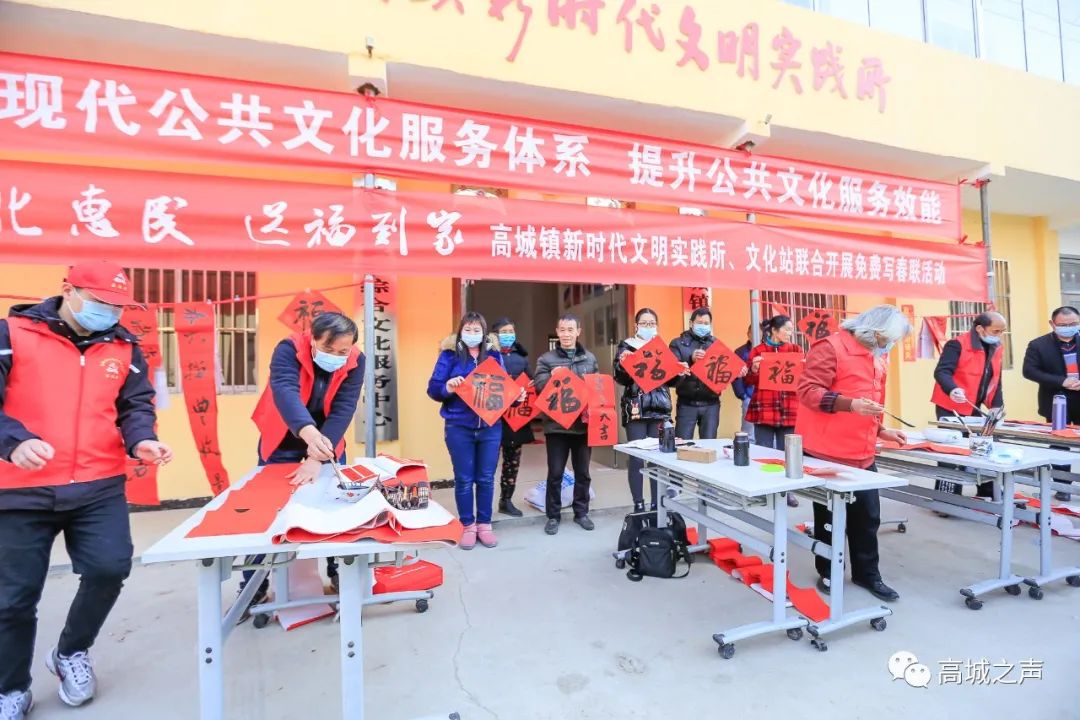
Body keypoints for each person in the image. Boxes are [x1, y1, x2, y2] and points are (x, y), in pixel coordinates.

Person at [0, 261, 173, 716]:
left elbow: (135, 406)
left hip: (98, 484)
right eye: (100, 303)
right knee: (14, 597)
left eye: (117, 306)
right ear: (68, 290)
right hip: (20, 489)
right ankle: (10, 687)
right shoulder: (11, 335)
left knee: (109, 569)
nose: (110, 313)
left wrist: (142, 440)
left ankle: (71, 651)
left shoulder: (124, 346)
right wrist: (13, 443)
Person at [795, 304, 910, 603]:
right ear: (874, 331)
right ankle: (829, 571)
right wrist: (849, 404)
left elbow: (870, 401)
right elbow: (808, 391)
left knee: (868, 517)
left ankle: (867, 574)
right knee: (830, 518)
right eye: (887, 340)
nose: (888, 346)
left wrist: (881, 430)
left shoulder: (876, 356)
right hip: (828, 450)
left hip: (862, 451)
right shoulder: (830, 348)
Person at [247, 312, 364, 601]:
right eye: (327, 349)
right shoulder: (288, 349)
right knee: (269, 508)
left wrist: (316, 458)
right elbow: (285, 392)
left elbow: (344, 407)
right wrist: (310, 436)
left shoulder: (356, 360)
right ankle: (251, 588)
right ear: (312, 339)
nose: (335, 356)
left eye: (342, 351)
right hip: (284, 433)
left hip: (328, 438)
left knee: (336, 504)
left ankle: (338, 572)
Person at [427, 312, 511, 549]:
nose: (472, 334)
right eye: (468, 329)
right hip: (458, 426)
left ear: (484, 333)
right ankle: (467, 525)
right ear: (460, 331)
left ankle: (484, 524)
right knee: (464, 479)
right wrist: (447, 387)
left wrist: (516, 397)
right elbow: (433, 388)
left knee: (486, 478)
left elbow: (504, 389)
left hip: (490, 427)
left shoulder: (494, 355)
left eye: (477, 330)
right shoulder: (449, 355)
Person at [534, 313, 600, 535]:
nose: (566, 334)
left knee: (583, 472)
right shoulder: (546, 359)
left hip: (582, 426)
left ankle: (581, 513)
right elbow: (539, 386)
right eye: (562, 330)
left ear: (578, 332)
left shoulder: (589, 358)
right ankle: (553, 516)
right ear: (557, 332)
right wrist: (552, 377)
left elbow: (597, 387)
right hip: (556, 427)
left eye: (570, 330)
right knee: (555, 473)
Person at [930, 312, 1006, 499]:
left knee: (984, 447)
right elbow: (942, 372)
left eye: (1002, 331)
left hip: (975, 406)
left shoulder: (996, 347)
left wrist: (997, 405)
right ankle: (946, 497)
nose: (999, 335)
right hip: (951, 404)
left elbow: (996, 379)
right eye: (996, 331)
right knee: (952, 451)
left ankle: (988, 490)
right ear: (980, 328)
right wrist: (952, 389)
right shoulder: (957, 344)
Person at [617, 308, 677, 512]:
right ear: (636, 326)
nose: (648, 327)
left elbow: (671, 380)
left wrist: (680, 370)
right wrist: (624, 364)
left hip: (659, 408)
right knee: (636, 458)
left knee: (656, 459)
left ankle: (656, 504)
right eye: (644, 323)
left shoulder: (662, 348)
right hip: (636, 408)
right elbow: (620, 378)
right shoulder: (627, 346)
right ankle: (638, 503)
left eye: (652, 323)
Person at [743, 315, 804, 508]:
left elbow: (803, 378)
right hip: (765, 406)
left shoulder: (795, 350)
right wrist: (754, 369)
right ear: (774, 331)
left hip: (789, 407)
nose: (790, 333)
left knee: (788, 452)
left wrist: (804, 366)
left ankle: (787, 491)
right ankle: (764, 489)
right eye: (787, 329)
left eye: (791, 329)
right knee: (764, 450)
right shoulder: (758, 351)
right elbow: (748, 381)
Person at [1022, 306, 1080, 501]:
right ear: (1052, 324)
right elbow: (1030, 371)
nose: (1069, 328)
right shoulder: (1038, 345)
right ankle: (1062, 486)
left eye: (1073, 324)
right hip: (1057, 401)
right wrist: (1061, 381)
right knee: (1059, 445)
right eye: (1063, 325)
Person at [492, 317, 533, 517]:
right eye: (504, 332)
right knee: (488, 463)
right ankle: (484, 505)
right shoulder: (488, 354)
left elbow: (531, 381)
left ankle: (506, 500)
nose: (508, 335)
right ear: (495, 335)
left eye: (511, 331)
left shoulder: (521, 357)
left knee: (512, 462)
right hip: (492, 416)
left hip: (515, 417)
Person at [669, 307, 721, 441]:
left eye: (706, 323)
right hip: (687, 403)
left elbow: (724, 369)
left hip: (711, 403)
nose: (703, 326)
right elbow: (672, 371)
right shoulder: (677, 344)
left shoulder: (716, 344)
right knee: (682, 444)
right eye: (699, 323)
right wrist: (690, 360)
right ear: (691, 323)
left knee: (709, 444)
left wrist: (738, 371)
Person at [731, 325, 755, 442]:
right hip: (748, 397)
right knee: (749, 433)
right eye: (752, 332)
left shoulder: (768, 351)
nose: (755, 335)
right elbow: (735, 376)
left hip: (765, 399)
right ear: (748, 334)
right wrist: (743, 395)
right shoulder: (740, 352)